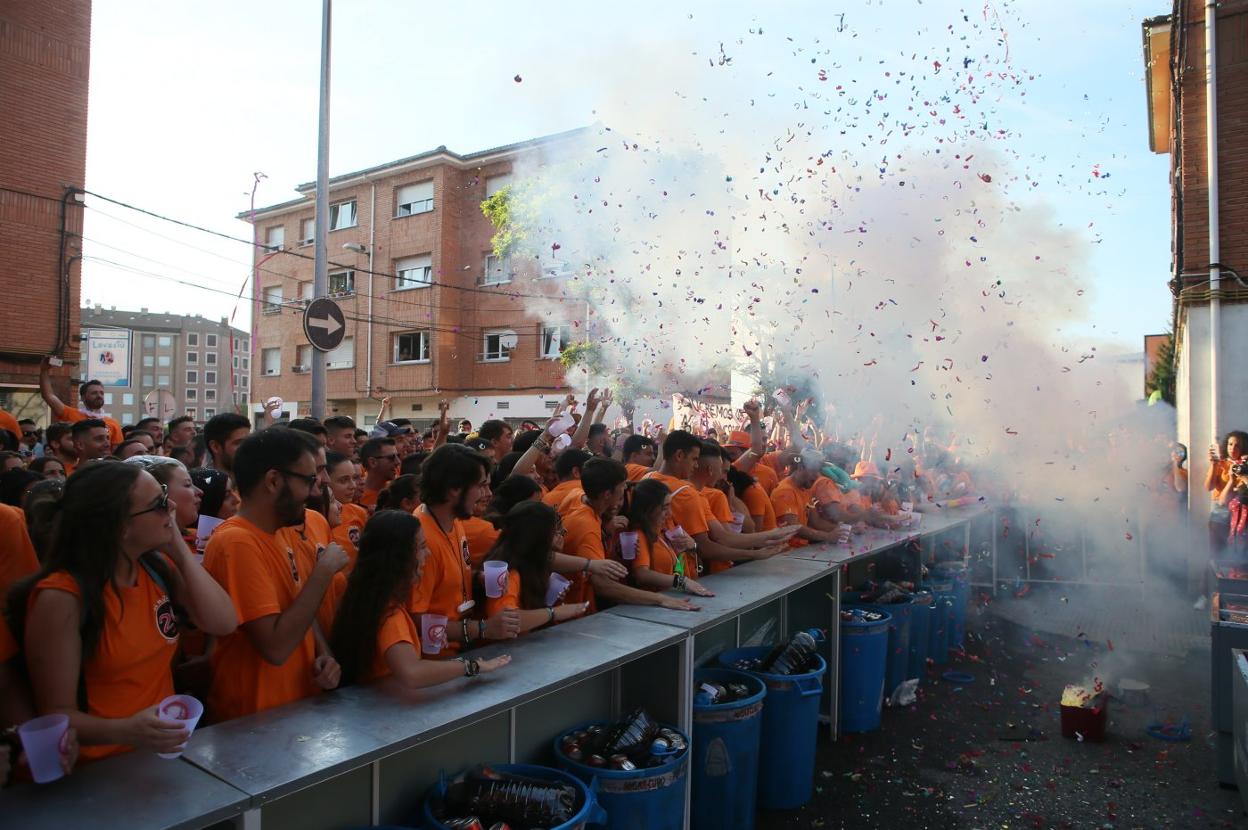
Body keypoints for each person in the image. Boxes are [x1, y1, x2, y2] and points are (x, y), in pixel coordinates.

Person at [7, 462, 236, 761]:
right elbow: (56, 714)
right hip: (98, 771)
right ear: (120, 526)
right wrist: (125, 730)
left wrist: (177, 547)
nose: (171, 508)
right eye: (158, 504)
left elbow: (223, 622)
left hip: (158, 757)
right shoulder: (61, 597)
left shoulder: (155, 568)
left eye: (165, 495)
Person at [201, 428, 349, 722]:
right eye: (308, 480)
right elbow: (276, 647)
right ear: (273, 481)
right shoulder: (237, 542)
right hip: (254, 719)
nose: (317, 488)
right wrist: (323, 572)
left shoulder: (278, 530)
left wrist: (324, 654)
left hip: (295, 708)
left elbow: (296, 608)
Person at [329, 510, 510, 689]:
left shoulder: (363, 595)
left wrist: (416, 642)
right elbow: (412, 673)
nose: (428, 553)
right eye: (422, 547)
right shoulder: (390, 615)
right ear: (400, 557)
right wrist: (471, 666)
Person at [409, 444, 520, 655]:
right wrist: (484, 628)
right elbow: (416, 619)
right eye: (480, 486)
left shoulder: (454, 519)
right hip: (438, 661)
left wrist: (478, 577)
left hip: (463, 648)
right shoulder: (422, 540)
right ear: (454, 489)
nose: (486, 494)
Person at [559, 457, 699, 612]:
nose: (625, 489)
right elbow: (604, 585)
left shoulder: (581, 501)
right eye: (621, 487)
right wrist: (661, 598)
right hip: (575, 615)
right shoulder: (588, 527)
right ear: (607, 494)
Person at [484, 501, 590, 635]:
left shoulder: (529, 565)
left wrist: (548, 598)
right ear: (537, 540)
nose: (559, 536)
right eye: (554, 532)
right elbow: (506, 622)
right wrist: (554, 613)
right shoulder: (508, 573)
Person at [625, 479, 714, 597]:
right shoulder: (640, 535)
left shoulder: (664, 531)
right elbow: (642, 575)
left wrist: (693, 547)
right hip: (653, 606)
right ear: (648, 508)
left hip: (676, 598)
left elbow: (679, 567)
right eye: (664, 507)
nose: (670, 513)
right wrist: (682, 582)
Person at [39, 358, 123, 448]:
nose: (99, 395)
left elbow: (116, 453)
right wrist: (44, 371)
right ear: (83, 397)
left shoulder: (113, 424)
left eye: (101, 393)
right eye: (94, 393)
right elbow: (49, 396)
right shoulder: (70, 414)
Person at [772, 449, 847, 545]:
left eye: (818, 471)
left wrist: (843, 531)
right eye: (813, 470)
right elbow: (793, 528)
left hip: (801, 551)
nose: (817, 476)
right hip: (785, 553)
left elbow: (817, 522)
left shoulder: (805, 490)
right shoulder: (785, 491)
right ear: (800, 467)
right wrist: (828, 536)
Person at [358, 437, 400, 510]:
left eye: (398, 456)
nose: (398, 462)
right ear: (373, 462)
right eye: (391, 457)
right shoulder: (355, 495)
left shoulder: (398, 490)